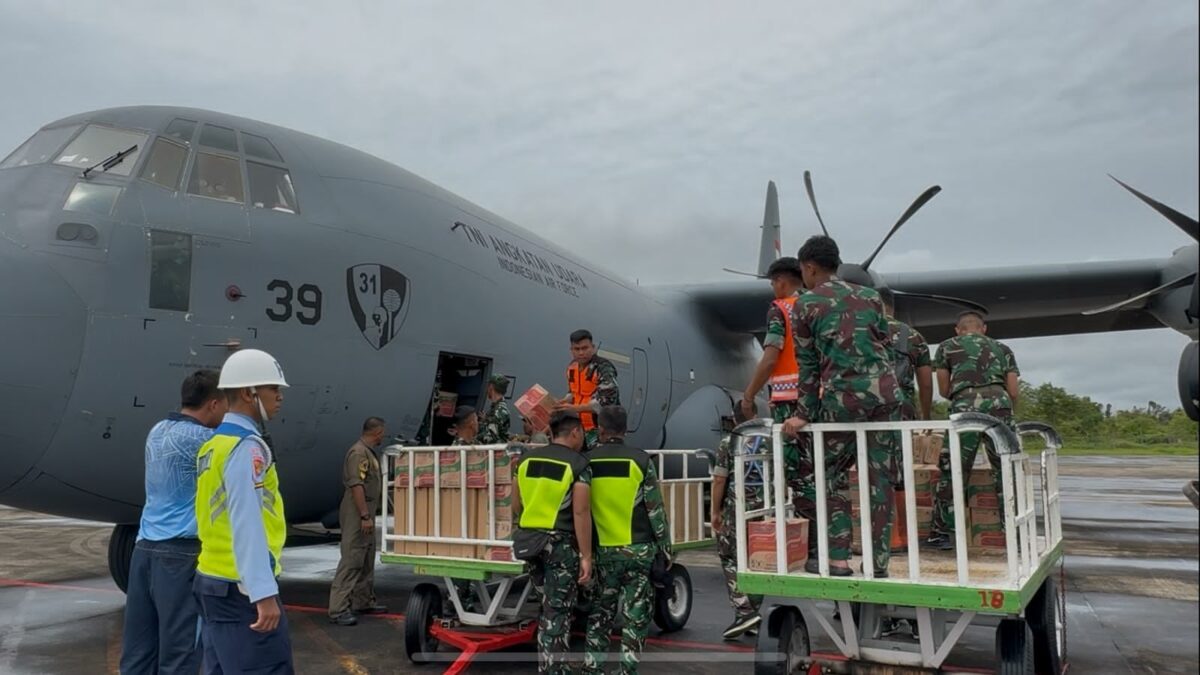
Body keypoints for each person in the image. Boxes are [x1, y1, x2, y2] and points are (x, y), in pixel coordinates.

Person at [782, 235, 903, 578]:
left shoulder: (805, 304)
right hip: (884, 397)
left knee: (831, 475)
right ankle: (878, 564)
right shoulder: (871, 297)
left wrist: (803, 414)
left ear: (809, 268)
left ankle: (838, 560)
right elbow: (886, 346)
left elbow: (808, 366)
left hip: (843, 400)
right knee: (880, 480)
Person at [193, 349, 294, 673]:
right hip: (240, 589)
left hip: (212, 578)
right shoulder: (245, 447)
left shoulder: (213, 445)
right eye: (273, 388)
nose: (279, 396)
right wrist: (262, 592)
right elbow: (246, 521)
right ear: (249, 393)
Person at [121, 370, 227, 674]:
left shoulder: (157, 430)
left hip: (144, 550)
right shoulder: (207, 440)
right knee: (181, 652)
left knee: (138, 651)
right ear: (213, 404)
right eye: (226, 405)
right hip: (181, 555)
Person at [583, 406, 671, 674]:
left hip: (602, 553)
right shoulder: (641, 460)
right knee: (635, 617)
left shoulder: (586, 462)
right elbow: (655, 510)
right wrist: (665, 549)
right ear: (625, 429)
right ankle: (627, 670)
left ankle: (593, 668)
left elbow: (580, 508)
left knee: (600, 615)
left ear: (600, 430)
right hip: (638, 550)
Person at [926, 311, 1020, 550]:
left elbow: (944, 390)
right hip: (1000, 403)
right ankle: (1015, 530)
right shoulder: (1003, 349)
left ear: (957, 329)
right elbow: (1013, 390)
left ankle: (944, 533)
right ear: (984, 328)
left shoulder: (947, 346)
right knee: (1005, 467)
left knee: (955, 467)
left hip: (965, 404)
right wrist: (1006, 411)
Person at [513, 411, 593, 675]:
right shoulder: (578, 464)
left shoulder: (525, 460)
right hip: (559, 544)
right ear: (575, 432)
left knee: (547, 607)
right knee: (557, 612)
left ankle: (551, 665)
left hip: (530, 542)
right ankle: (553, 670)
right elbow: (581, 512)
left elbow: (515, 504)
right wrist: (586, 555)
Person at [740, 257, 808, 493]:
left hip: (790, 403)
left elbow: (770, 359)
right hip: (818, 398)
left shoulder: (780, 310)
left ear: (781, 282)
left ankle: (805, 514)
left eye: (772, 283)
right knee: (819, 464)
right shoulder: (815, 306)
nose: (772, 288)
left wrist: (748, 396)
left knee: (794, 470)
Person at [710, 406, 766, 640]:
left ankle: (745, 611)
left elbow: (719, 480)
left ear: (734, 419)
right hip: (768, 508)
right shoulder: (771, 440)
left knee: (729, 556)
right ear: (755, 415)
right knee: (760, 558)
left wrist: (715, 511)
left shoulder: (729, 441)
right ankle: (753, 612)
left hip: (738, 509)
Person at [327, 417, 389, 626]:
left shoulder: (368, 453)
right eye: (382, 433)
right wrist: (364, 516)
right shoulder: (358, 453)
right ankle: (338, 609)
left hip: (366, 512)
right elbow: (356, 485)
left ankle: (363, 601)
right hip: (357, 512)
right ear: (377, 432)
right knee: (352, 559)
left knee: (366, 557)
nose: (383, 437)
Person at [557, 329, 621, 449]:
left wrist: (574, 408)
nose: (581, 353)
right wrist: (563, 402)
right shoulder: (572, 368)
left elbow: (607, 402)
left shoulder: (603, 368)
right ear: (571, 350)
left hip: (601, 430)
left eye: (585, 348)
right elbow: (574, 392)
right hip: (580, 429)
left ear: (593, 348)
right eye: (577, 349)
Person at [878, 288, 933, 422]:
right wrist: (926, 416)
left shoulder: (862, 331)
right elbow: (926, 384)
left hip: (870, 409)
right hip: (902, 410)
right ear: (893, 306)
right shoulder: (913, 336)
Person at [477, 375, 512, 444]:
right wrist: (485, 420)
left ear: (491, 387)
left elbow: (491, 438)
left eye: (488, 386)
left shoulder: (498, 410)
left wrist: (472, 438)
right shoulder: (497, 408)